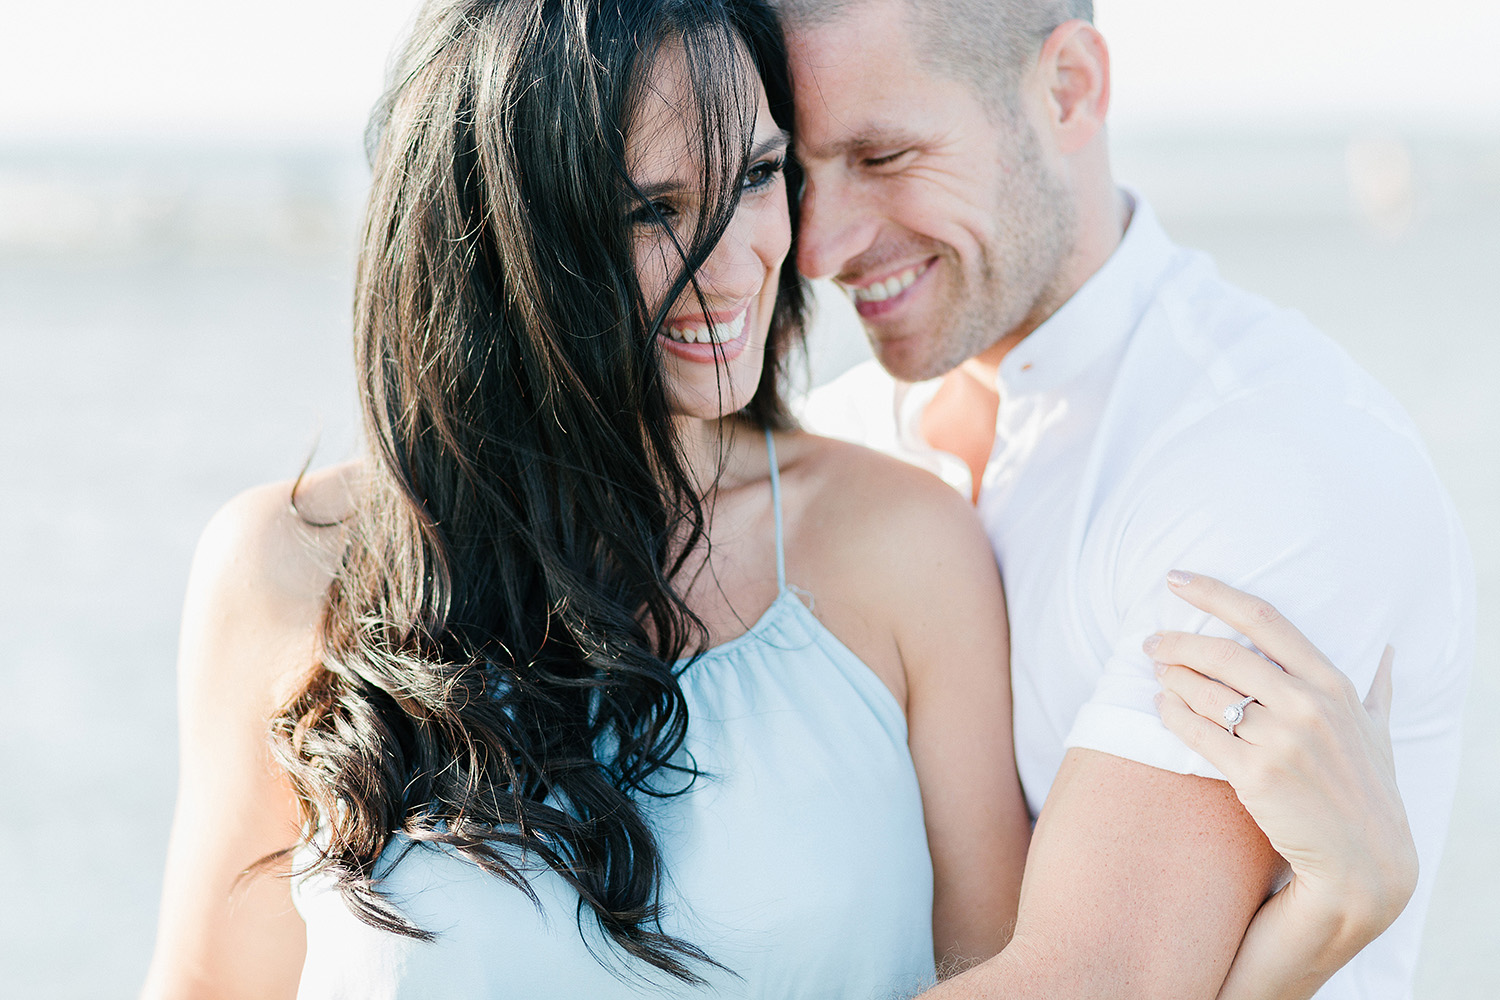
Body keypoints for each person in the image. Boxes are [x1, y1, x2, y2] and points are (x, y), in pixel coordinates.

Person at [141, 1, 1416, 998]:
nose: (759, 255)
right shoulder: (286, 569)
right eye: (653, 209)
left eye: (757, 176)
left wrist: (1315, 932)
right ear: (503, 234)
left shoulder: (907, 543)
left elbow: (1052, 978)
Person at [785, 0, 1474, 997]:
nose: (819, 249)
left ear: (1070, 89)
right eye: (795, 174)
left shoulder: (1275, 451)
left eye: (884, 157)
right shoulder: (830, 442)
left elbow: (1094, 982)